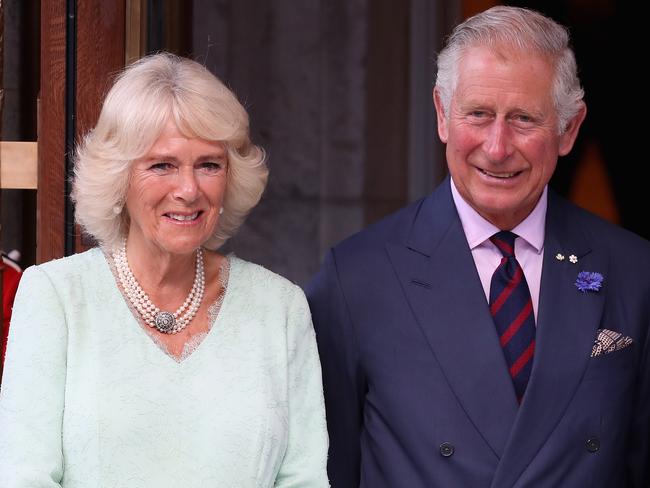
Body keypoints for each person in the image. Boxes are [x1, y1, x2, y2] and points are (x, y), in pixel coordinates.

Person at [307, 6, 650, 487]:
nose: (496, 146)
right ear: (443, 115)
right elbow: (326, 470)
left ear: (568, 129)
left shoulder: (634, 271)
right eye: (478, 114)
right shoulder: (357, 278)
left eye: (524, 119)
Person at [0, 52, 329, 487]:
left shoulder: (280, 308)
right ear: (119, 176)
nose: (188, 189)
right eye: (162, 165)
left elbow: (304, 479)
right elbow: (26, 477)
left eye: (208, 165)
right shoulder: (54, 297)